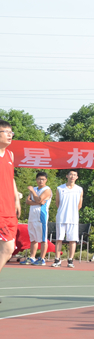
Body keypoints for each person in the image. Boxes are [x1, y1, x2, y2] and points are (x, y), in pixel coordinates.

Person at [0, 120, 22, 301]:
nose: (9, 135)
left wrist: (16, 199)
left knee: (8, 250)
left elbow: (11, 178)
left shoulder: (10, 155)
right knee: (7, 248)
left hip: (9, 210)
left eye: (11, 132)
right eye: (5, 132)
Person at [53, 170, 83, 268]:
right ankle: (57, 260)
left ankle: (70, 260)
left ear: (77, 177)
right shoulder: (60, 188)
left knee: (72, 240)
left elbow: (79, 204)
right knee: (59, 239)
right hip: (61, 217)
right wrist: (63, 211)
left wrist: (72, 212)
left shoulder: (79, 189)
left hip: (73, 218)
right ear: (67, 176)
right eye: (70, 174)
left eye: (74, 175)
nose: (72, 176)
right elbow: (57, 202)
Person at [23, 172, 52, 266]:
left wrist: (33, 192)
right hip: (32, 216)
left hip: (41, 216)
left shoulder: (47, 190)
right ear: (36, 179)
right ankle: (32, 257)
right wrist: (37, 202)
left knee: (43, 238)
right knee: (33, 238)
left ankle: (42, 259)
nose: (41, 181)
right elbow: (28, 201)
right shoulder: (34, 189)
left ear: (46, 180)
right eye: (39, 179)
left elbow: (39, 199)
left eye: (43, 179)